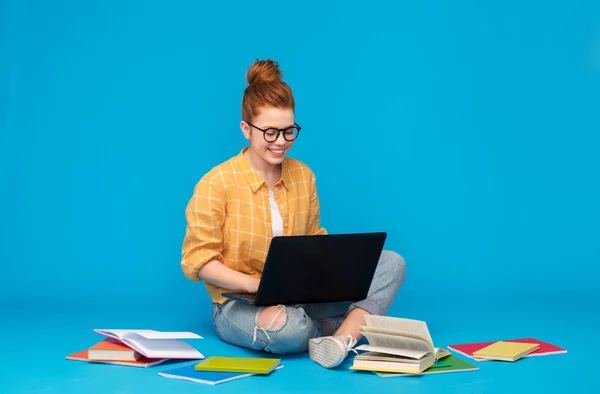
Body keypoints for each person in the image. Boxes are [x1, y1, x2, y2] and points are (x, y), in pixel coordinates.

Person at [181, 59, 406, 368]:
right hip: (238, 303)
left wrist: (337, 272)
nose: (281, 143)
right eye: (270, 133)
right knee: (289, 331)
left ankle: (339, 342)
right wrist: (256, 285)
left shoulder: (304, 176)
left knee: (392, 263)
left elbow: (314, 241)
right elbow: (198, 260)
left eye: (289, 132)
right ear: (246, 129)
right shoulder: (216, 183)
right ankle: (338, 328)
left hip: (302, 295)